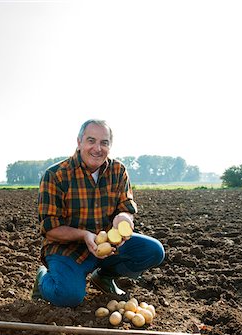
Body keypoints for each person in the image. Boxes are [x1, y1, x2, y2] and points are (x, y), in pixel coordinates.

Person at [32, 119, 165, 307]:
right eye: (91, 140)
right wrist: (85, 235)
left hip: (107, 244)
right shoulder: (56, 175)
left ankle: (103, 277)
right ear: (79, 142)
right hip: (67, 248)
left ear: (110, 145)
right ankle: (43, 279)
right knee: (68, 297)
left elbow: (126, 207)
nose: (98, 148)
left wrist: (123, 219)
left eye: (104, 142)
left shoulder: (118, 171)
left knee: (153, 251)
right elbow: (50, 228)